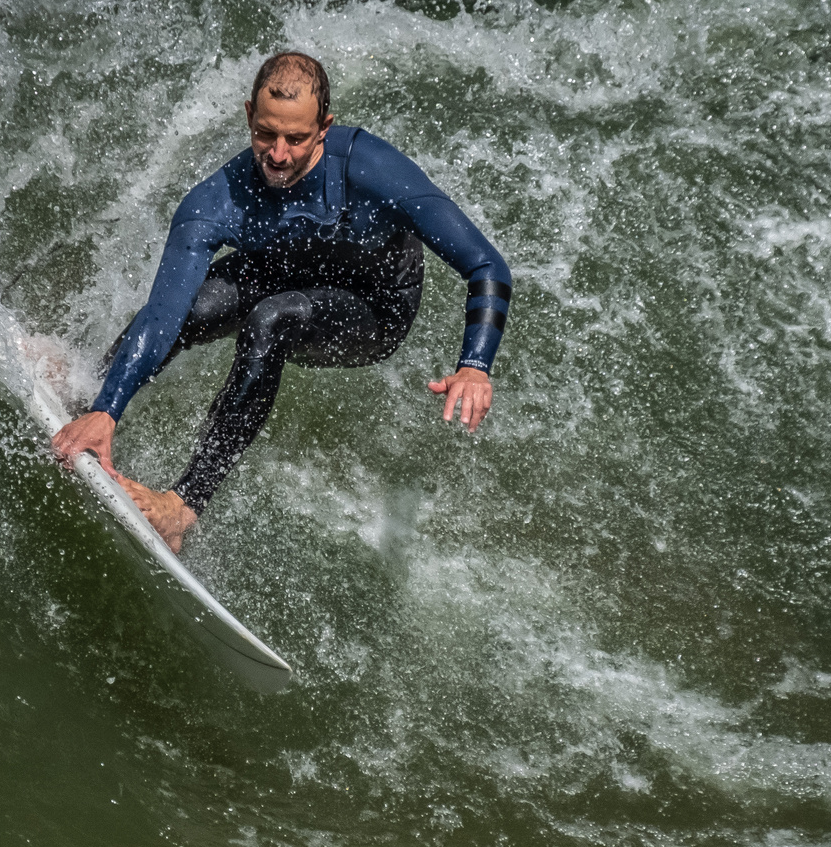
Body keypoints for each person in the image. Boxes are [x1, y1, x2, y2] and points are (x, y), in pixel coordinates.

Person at [50, 52, 512, 553]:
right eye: (266, 134)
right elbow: (163, 315)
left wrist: (474, 366)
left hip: (373, 307)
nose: (278, 154)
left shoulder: (371, 167)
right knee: (194, 309)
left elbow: (487, 265)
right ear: (249, 115)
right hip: (282, 268)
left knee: (272, 319)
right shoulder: (213, 203)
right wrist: (109, 408)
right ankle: (90, 403)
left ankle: (183, 508)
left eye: (296, 138)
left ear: (324, 127)